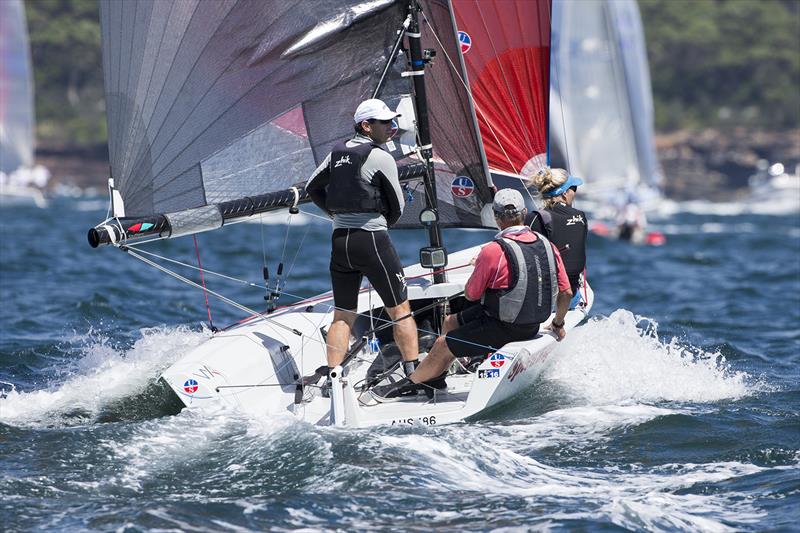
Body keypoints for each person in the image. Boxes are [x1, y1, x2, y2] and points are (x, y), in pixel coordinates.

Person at [371, 189, 573, 400]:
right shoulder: (547, 244)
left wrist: (481, 266)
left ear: (496, 218)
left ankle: (413, 383)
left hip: (505, 327)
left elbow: (471, 295)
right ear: (524, 214)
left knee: (441, 344)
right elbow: (566, 292)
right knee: (450, 321)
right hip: (531, 324)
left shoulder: (493, 251)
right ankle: (436, 378)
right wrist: (558, 324)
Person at [305, 98, 419, 377]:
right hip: (371, 241)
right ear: (366, 126)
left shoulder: (337, 152)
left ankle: (334, 376)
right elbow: (398, 207)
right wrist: (381, 227)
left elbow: (312, 186)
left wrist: (333, 214)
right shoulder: (380, 156)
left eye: (393, 121)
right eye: (385, 123)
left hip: (339, 242)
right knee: (400, 310)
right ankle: (414, 374)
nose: (392, 127)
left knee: (343, 314)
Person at [526, 167, 588, 297]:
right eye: (574, 188)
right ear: (564, 193)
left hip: (544, 297)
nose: (574, 193)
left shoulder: (534, 218)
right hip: (573, 294)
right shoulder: (581, 216)